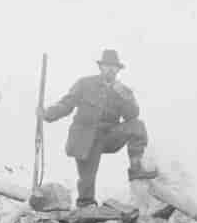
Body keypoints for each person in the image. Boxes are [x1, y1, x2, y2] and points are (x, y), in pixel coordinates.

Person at [40, 49, 157, 208]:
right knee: (87, 182)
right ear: (101, 67)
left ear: (118, 70)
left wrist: (125, 96)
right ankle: (86, 207)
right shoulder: (84, 84)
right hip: (85, 138)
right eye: (107, 65)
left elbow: (132, 115)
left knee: (137, 126)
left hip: (109, 136)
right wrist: (47, 114)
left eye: (114, 66)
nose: (110, 69)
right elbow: (66, 104)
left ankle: (136, 167)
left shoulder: (122, 90)